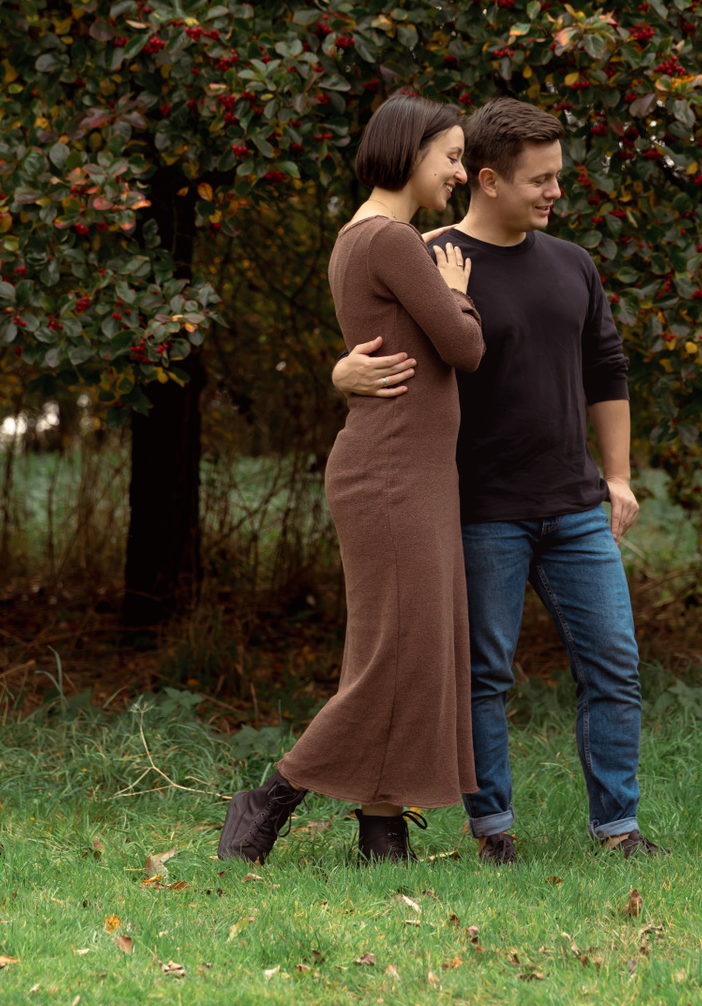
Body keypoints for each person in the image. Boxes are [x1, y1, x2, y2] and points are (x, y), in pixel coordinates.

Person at [335, 97, 659, 862]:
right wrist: (340, 372)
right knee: (482, 677)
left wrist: (617, 476)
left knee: (615, 666)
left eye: (557, 176)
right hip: (480, 509)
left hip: (575, 505)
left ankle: (618, 827)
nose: (555, 191)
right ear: (489, 179)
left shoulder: (573, 263)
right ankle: (493, 830)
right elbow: (381, 351)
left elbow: (606, 367)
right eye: (540, 179)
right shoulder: (428, 252)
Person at [219, 95, 484, 865]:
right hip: (394, 474)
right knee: (396, 654)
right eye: (451, 156)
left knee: (404, 649)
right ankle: (270, 797)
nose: (460, 172)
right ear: (410, 151)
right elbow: (464, 347)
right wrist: (457, 286)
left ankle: (381, 830)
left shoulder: (358, 237)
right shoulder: (393, 240)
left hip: (403, 470)